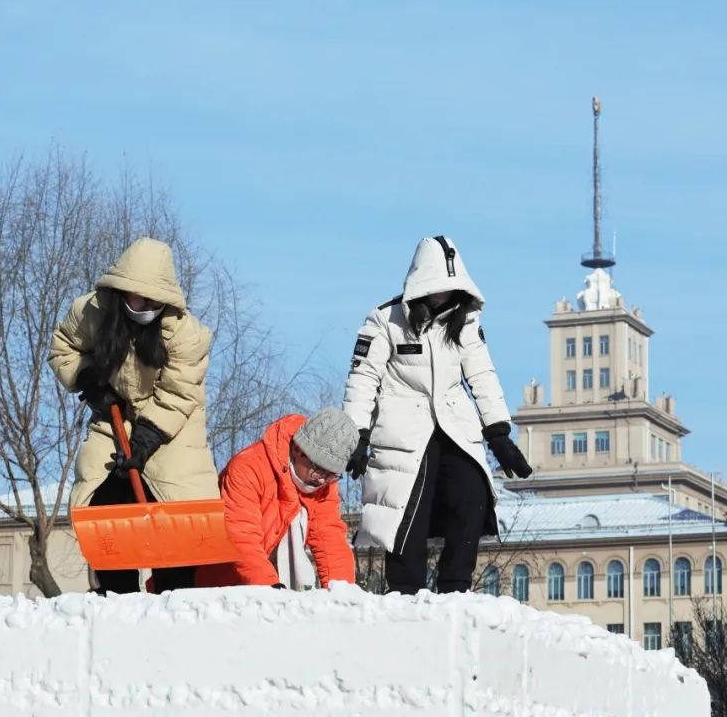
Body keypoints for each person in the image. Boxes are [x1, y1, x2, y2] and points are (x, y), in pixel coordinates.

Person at [342, 235, 532, 595]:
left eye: (451, 287)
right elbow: (363, 376)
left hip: (454, 424)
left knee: (472, 491)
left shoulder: (465, 322)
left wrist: (498, 433)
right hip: (401, 428)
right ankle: (405, 593)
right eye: (437, 287)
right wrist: (356, 434)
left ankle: (456, 590)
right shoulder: (384, 320)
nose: (444, 295)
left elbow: (481, 373)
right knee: (407, 510)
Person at [48, 237, 218, 594]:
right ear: (122, 289)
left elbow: (179, 392)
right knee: (105, 495)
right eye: (140, 297)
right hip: (115, 417)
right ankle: (114, 592)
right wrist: (88, 379)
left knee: (175, 509)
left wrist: (145, 440)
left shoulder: (186, 333)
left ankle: (176, 596)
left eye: (155, 299)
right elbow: (63, 347)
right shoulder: (92, 311)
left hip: (172, 425)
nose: (148, 305)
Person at [196, 409, 358, 590]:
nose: (321, 480)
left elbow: (330, 540)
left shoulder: (324, 485)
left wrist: (343, 592)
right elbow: (241, 536)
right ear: (298, 449)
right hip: (223, 587)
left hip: (273, 588)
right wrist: (270, 587)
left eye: (331, 475)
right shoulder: (248, 468)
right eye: (318, 468)